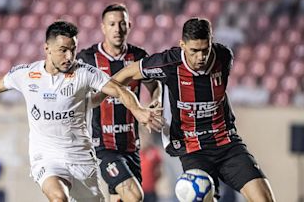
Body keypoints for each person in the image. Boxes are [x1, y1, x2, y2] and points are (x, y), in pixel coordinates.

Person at [0, 21, 163, 202]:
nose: (69, 56)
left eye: (73, 50)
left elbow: (118, 90)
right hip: (46, 157)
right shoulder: (28, 74)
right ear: (47, 48)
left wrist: (137, 110)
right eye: (63, 50)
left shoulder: (84, 72)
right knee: (59, 197)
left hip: (81, 159)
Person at [111, 17, 276, 201]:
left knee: (265, 199)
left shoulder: (224, 57)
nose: (200, 57)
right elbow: (123, 76)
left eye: (205, 50)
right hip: (192, 149)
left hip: (227, 143)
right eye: (194, 51)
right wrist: (136, 109)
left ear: (211, 43)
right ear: (182, 45)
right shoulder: (168, 63)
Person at [76, 3, 162, 202]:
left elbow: (154, 85)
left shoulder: (139, 57)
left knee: (119, 199)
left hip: (131, 145)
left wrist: (155, 101)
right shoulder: (87, 59)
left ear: (129, 26)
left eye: (122, 24)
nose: (117, 29)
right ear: (103, 27)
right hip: (102, 146)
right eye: (112, 24)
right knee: (133, 195)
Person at [139, 129, 162, 202]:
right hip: (138, 190)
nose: (146, 139)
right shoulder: (135, 153)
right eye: (143, 137)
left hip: (150, 191)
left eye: (148, 137)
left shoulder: (154, 152)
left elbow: (160, 171)